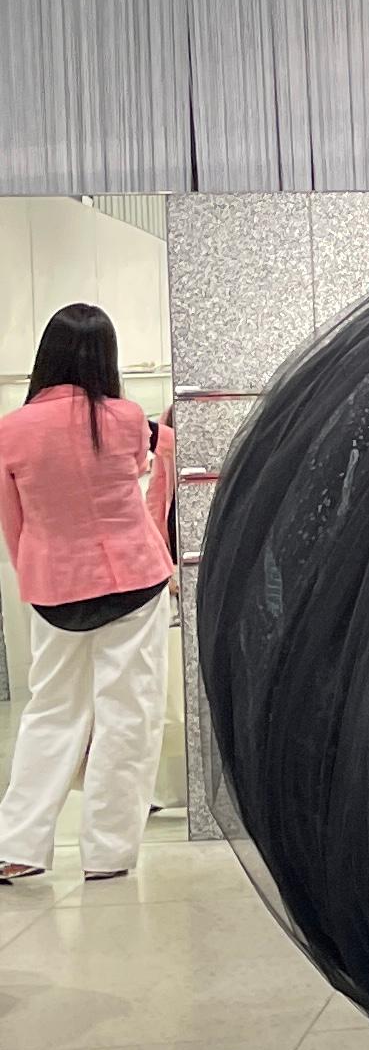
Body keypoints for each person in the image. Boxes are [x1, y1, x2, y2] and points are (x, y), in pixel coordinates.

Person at [0, 301, 179, 888]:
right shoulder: (125, 418)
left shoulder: (10, 430)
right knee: (130, 714)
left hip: (54, 586)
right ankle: (107, 852)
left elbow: (13, 522)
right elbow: (157, 454)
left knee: (51, 711)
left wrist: (35, 571)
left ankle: (17, 844)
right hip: (135, 579)